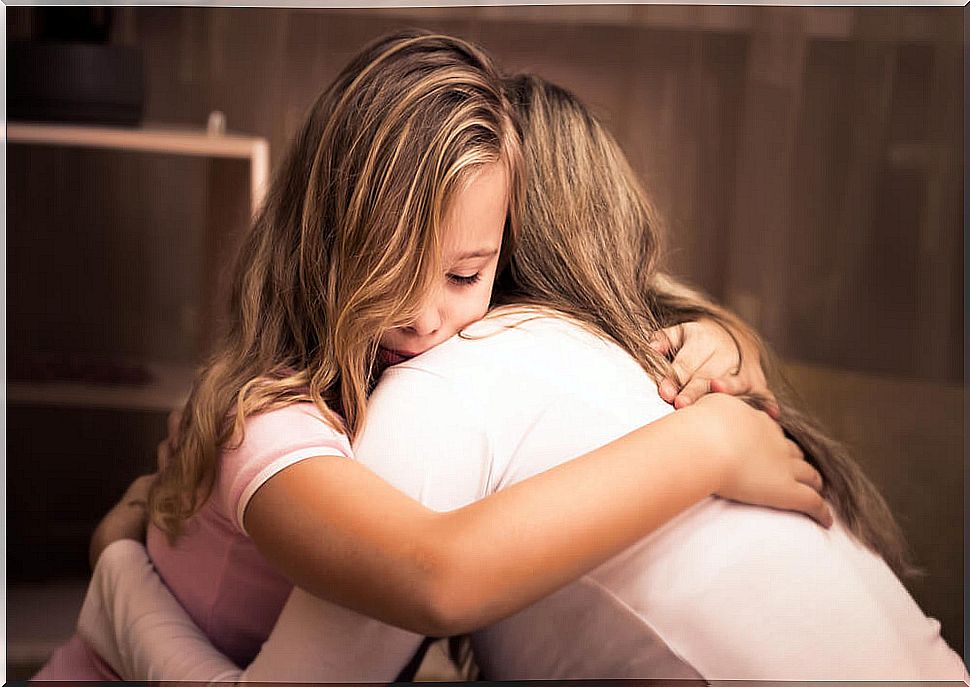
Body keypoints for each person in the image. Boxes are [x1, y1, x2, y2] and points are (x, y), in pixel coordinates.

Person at [73, 72, 968, 681]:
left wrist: (115, 569)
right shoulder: (646, 368)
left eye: (467, 273)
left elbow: (433, 583)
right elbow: (438, 580)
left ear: (506, 236)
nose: (426, 319)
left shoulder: (470, 379)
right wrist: (711, 426)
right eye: (399, 264)